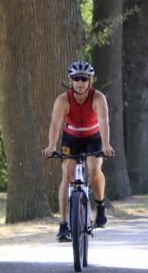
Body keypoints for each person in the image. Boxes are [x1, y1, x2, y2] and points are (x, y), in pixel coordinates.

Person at [43, 61, 115, 242]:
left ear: (90, 80)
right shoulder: (63, 100)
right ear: (71, 81)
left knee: (93, 167)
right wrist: (51, 145)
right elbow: (55, 124)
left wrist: (106, 145)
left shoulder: (98, 98)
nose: (80, 83)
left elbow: (104, 122)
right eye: (76, 79)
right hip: (71, 139)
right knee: (67, 176)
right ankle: (63, 225)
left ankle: (100, 206)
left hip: (93, 138)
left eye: (84, 79)